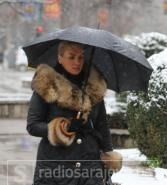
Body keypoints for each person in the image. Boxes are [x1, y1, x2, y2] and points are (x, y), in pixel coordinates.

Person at [27, 41, 122, 185]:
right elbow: (33, 125)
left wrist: (108, 154)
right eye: (71, 57)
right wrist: (63, 128)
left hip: (89, 164)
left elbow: (102, 125)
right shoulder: (46, 85)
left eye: (80, 57)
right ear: (60, 58)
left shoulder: (94, 88)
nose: (77, 62)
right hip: (55, 166)